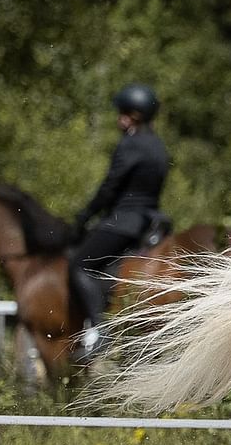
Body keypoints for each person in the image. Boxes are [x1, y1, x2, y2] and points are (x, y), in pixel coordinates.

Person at [70, 83, 169, 358]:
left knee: (79, 266)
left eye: (124, 113)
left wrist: (84, 217)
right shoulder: (158, 146)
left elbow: (109, 188)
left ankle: (96, 332)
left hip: (124, 220)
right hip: (150, 221)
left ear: (135, 115)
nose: (119, 119)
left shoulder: (131, 144)